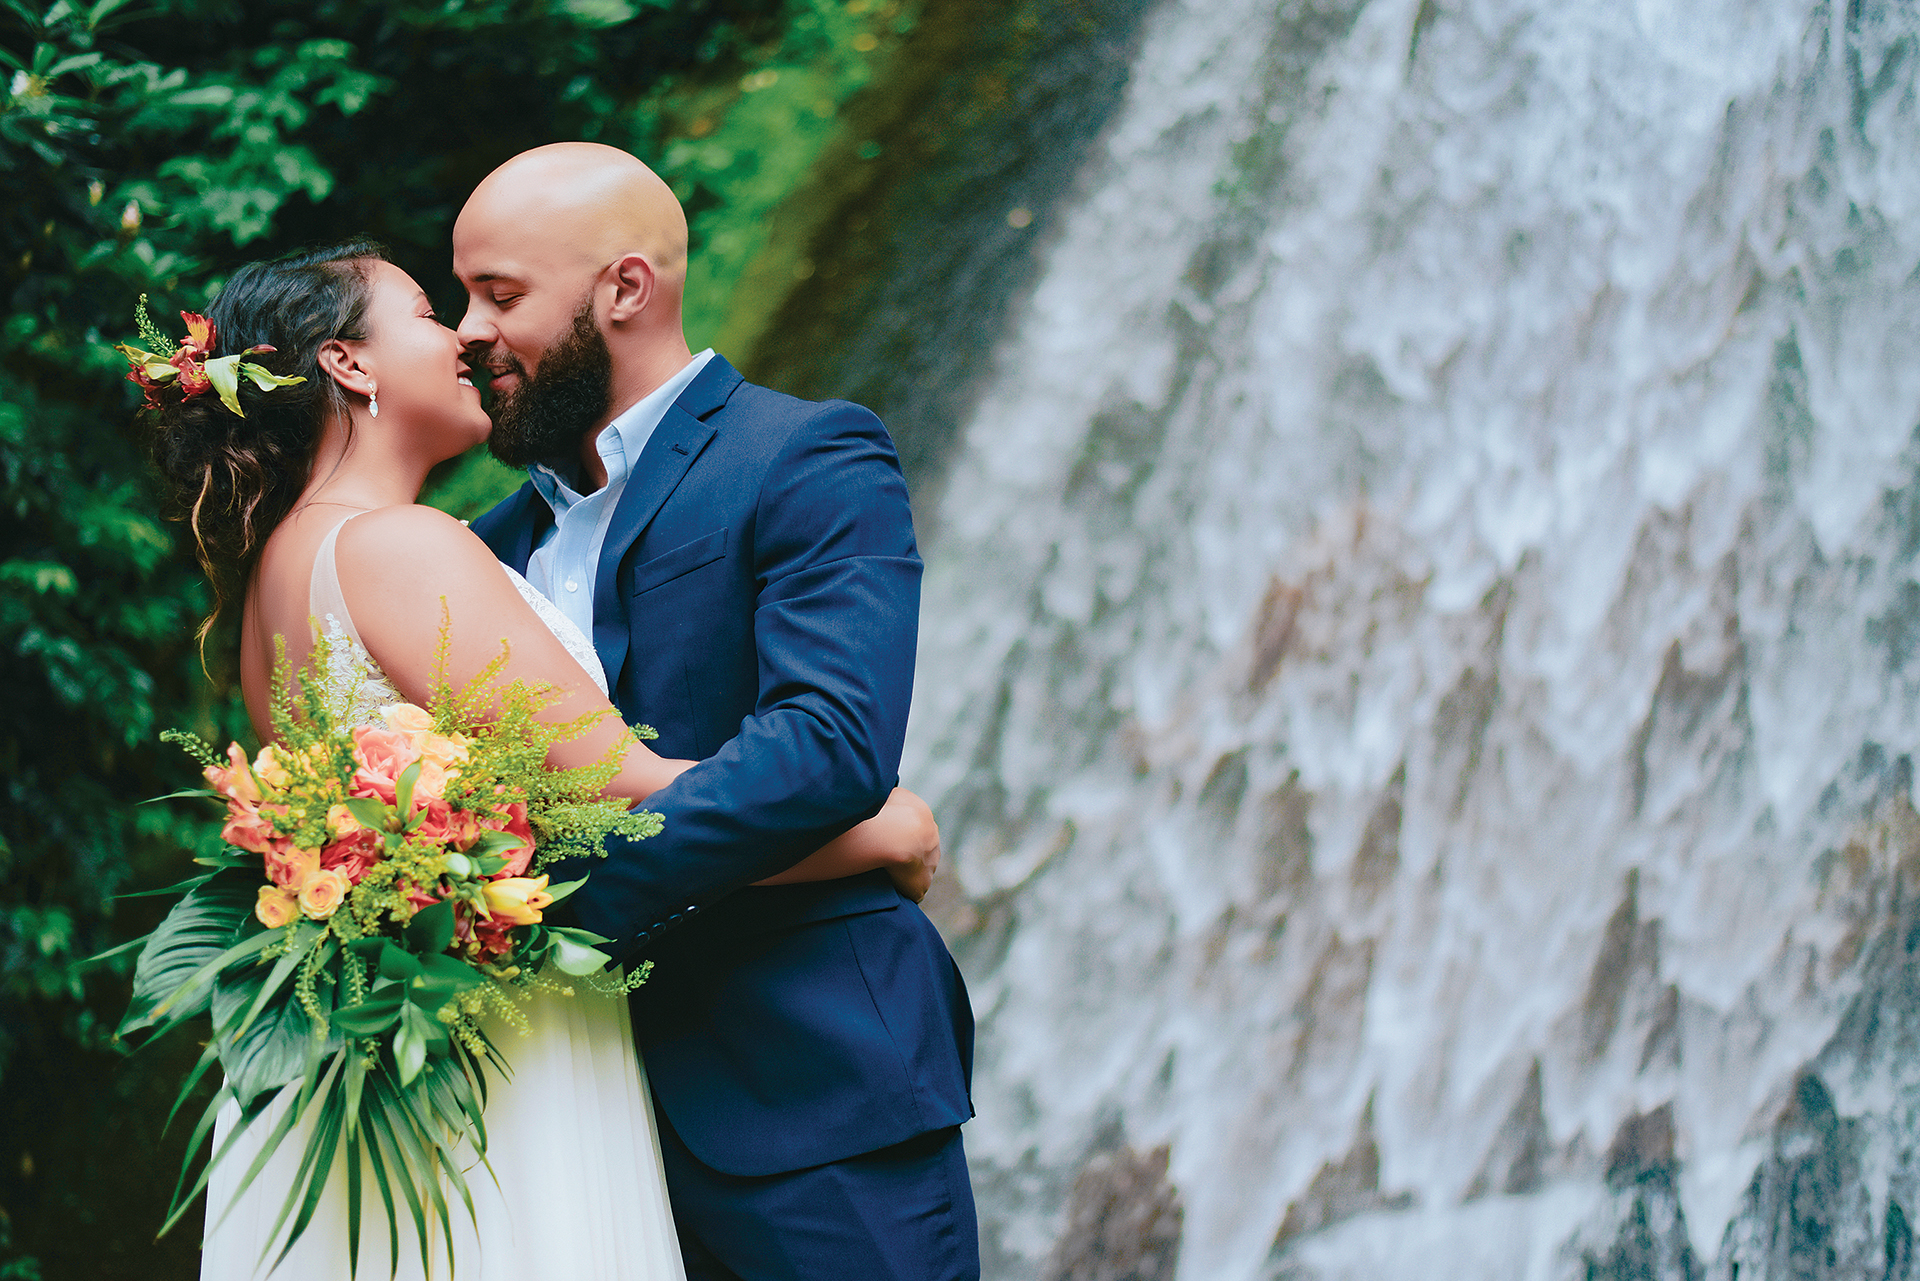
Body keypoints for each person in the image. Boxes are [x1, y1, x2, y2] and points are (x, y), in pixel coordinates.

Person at [142, 239, 941, 1280]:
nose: (466, 339)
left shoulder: (272, 596)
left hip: (427, 1054)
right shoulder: (399, 547)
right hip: (518, 1071)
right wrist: (886, 832)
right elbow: (615, 804)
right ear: (350, 364)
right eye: (430, 314)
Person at [456, 142, 980, 1281]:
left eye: (499, 295)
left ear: (625, 290)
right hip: (573, 1136)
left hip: (813, 1099)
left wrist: (555, 901)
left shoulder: (803, 454)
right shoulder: (483, 553)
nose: (467, 331)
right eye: (461, 297)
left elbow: (829, 746)